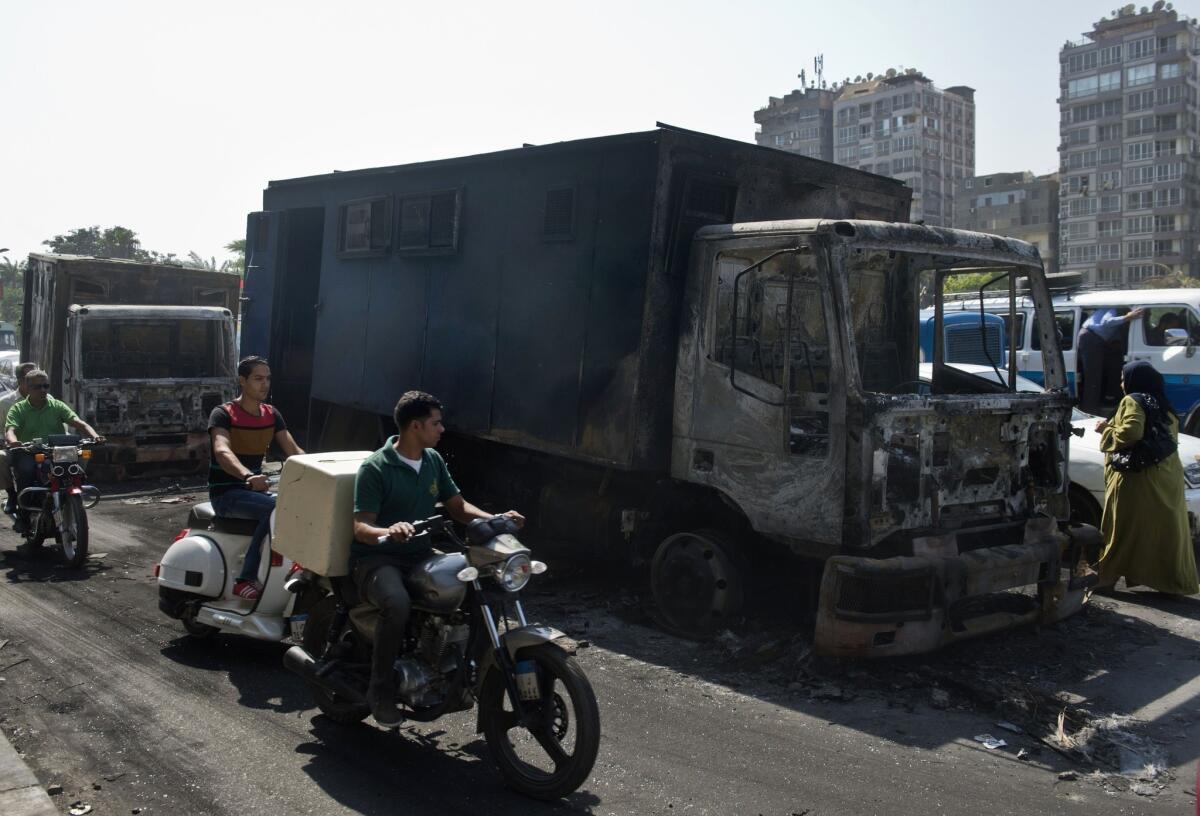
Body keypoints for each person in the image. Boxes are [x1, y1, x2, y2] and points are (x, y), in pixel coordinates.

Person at [351, 391, 524, 727]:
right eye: (436, 423)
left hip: (419, 554)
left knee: (476, 586)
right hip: (377, 559)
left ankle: (464, 674)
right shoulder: (375, 467)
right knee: (397, 603)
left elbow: (458, 507)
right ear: (415, 426)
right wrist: (391, 529)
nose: (442, 429)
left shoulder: (432, 460)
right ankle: (381, 689)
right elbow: (361, 527)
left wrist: (496, 518)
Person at [1094, 361, 1199, 597]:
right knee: (1164, 531)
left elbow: (1131, 432)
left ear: (1134, 381)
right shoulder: (1164, 405)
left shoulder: (1132, 400)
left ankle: (1106, 578)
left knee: (1122, 528)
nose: (1121, 383)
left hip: (1138, 478)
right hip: (1167, 476)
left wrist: (1106, 429)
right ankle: (1171, 582)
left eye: (1123, 378)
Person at [208, 356, 303, 600]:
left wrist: (322, 471)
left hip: (253, 492)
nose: (265, 384)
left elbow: (295, 452)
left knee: (299, 507)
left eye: (268, 379)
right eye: (258, 379)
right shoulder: (223, 413)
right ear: (242, 381)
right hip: (227, 494)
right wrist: (248, 476)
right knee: (275, 508)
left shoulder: (272, 414)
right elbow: (222, 450)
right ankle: (245, 579)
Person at [4, 369, 102, 533]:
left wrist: (95, 436)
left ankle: (70, 501)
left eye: (45, 386)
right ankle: (23, 514)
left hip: (56, 452)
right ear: (27, 388)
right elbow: (10, 431)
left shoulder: (56, 405)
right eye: (37, 387)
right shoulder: (18, 409)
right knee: (26, 470)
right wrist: (14, 442)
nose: (43, 390)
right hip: (28, 453)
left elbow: (79, 423)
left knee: (75, 467)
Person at [1077, 306, 1145, 415]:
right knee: (1093, 378)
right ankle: (1089, 411)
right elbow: (1106, 322)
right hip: (1091, 337)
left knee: (1104, 370)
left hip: (1097, 338)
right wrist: (1127, 317)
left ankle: (1107, 400)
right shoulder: (1114, 308)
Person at [0, 362, 39, 512]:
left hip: (43, 447)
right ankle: (12, 494)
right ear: (20, 380)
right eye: (30, 378)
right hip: (16, 448)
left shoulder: (48, 400)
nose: (36, 382)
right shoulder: (5, 403)